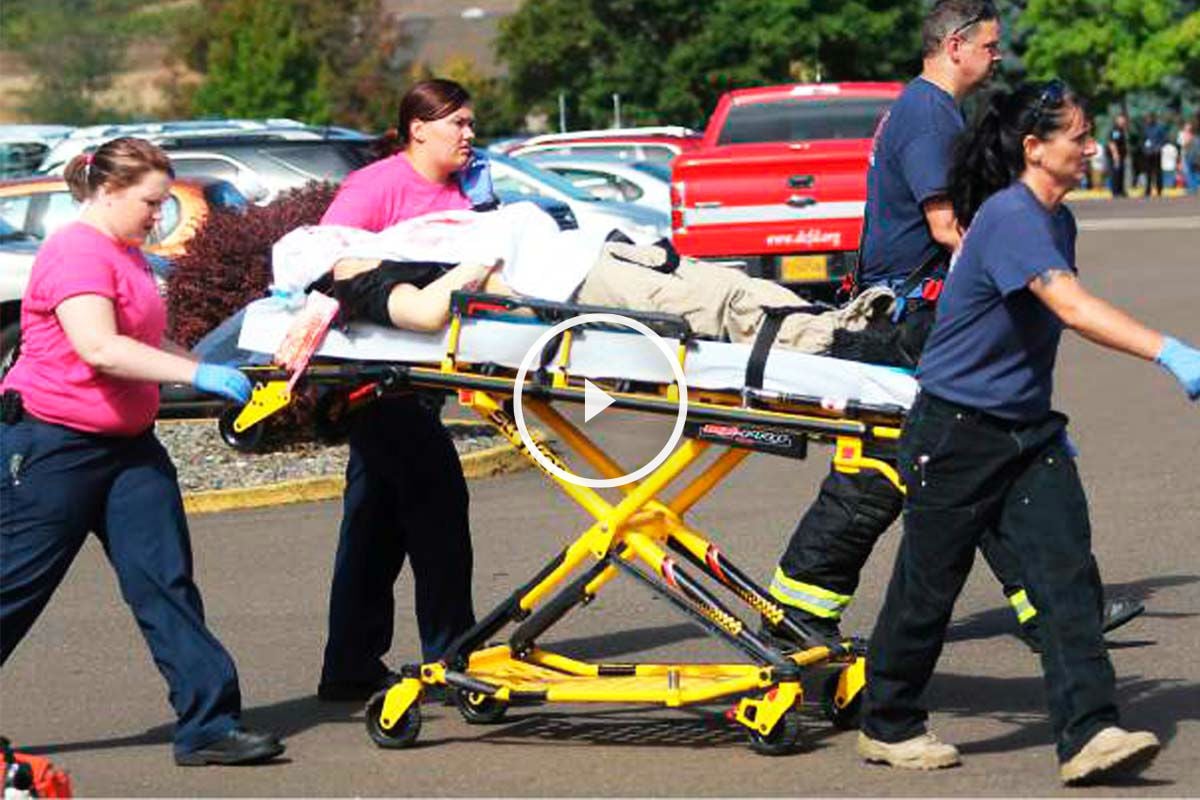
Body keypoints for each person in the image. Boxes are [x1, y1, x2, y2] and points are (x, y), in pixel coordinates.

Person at [762, 0, 1142, 653]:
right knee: (894, 473)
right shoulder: (929, 118)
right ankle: (798, 608)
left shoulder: (930, 111)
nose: (998, 59)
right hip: (907, 327)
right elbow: (946, 227)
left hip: (915, 320)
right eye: (991, 47)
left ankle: (1054, 610)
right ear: (957, 45)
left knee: (972, 461)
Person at [857, 79, 1200, 784]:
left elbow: (1031, 332)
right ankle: (887, 724)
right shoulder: (1013, 216)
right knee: (929, 587)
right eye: (1078, 135)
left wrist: (1037, 414)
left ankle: (1090, 732)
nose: (1092, 146)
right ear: (1034, 147)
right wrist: (1170, 352)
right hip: (954, 431)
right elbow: (1069, 307)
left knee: (1066, 574)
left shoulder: (1056, 218)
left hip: (1026, 431)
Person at [0, 137, 285, 767]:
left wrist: (226, 363)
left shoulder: (126, 254)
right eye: (151, 202)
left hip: (128, 447)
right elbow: (100, 348)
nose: (158, 215)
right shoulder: (74, 253)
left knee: (165, 583)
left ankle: (208, 725)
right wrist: (198, 377)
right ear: (107, 191)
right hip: (53, 447)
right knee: (13, 587)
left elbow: (154, 341)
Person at [314, 79, 481, 703]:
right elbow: (330, 261)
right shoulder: (376, 185)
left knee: (376, 520)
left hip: (419, 376)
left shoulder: (460, 192)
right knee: (439, 506)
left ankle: (350, 663)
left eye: (470, 124)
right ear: (419, 129)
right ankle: (455, 657)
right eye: (457, 124)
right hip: (373, 381)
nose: (468, 134)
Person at [273, 203, 895, 355]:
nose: (337, 236)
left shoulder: (385, 251)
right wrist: (486, 254)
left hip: (589, 258)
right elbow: (429, 314)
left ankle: (857, 325)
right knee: (717, 307)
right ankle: (850, 344)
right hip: (574, 286)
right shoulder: (366, 286)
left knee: (726, 288)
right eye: (325, 245)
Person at [1141, 112, 1168, 197]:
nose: (1148, 120)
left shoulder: (1159, 127)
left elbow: (1164, 139)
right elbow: (1143, 139)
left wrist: (1159, 147)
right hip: (1148, 153)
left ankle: (1159, 190)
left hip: (1156, 152)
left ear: (1153, 119)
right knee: (1148, 172)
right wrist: (1144, 149)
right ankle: (1148, 190)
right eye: (1147, 119)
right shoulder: (1145, 128)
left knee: (1158, 172)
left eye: (1149, 118)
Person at [1106, 112, 1129, 197]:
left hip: (1120, 156)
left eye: (1124, 120)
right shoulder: (1115, 130)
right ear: (1117, 120)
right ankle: (1116, 192)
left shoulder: (1121, 130)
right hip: (1115, 157)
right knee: (1115, 173)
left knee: (1120, 173)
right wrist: (1116, 156)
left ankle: (1121, 191)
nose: (1123, 121)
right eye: (1121, 120)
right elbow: (1112, 143)